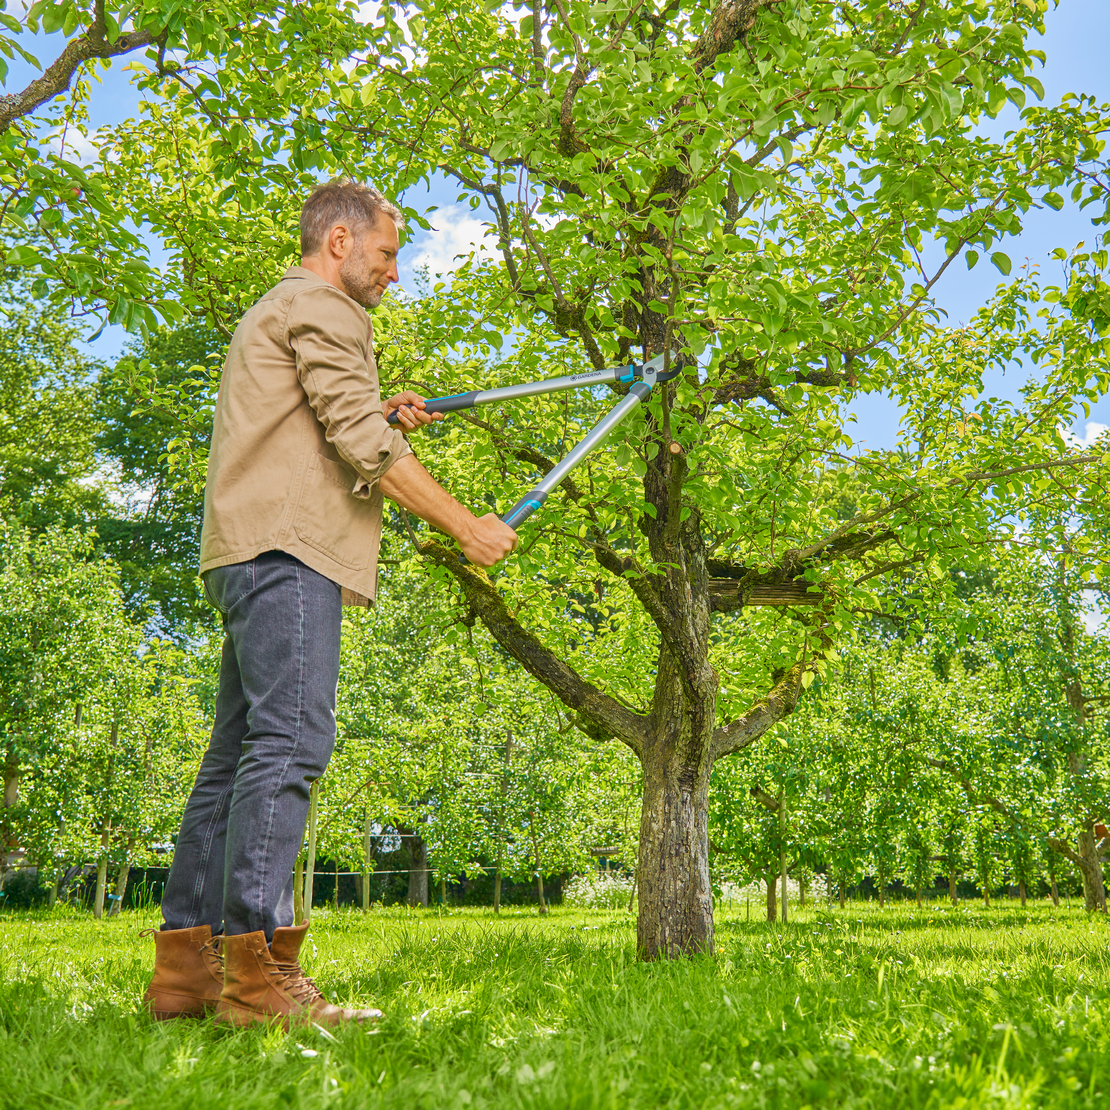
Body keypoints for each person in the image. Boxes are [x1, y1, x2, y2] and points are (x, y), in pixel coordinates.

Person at [142, 180, 517, 1028]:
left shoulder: (280, 310)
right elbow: (357, 436)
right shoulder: (325, 306)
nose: (394, 273)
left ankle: (187, 969)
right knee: (293, 741)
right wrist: (465, 525)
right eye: (387, 255)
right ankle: (259, 971)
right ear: (340, 243)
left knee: (235, 755)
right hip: (287, 551)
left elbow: (325, 421)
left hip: (243, 551)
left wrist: (379, 408)